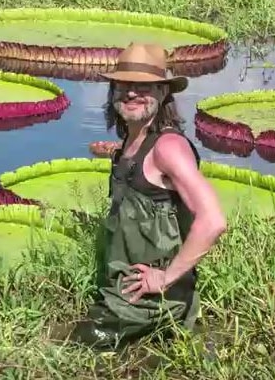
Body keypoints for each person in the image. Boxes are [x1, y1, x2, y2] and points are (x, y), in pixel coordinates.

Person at [70, 43, 227, 349]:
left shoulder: (168, 148)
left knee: (70, 344)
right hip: (124, 291)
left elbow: (213, 220)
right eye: (123, 85)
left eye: (142, 87)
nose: (130, 93)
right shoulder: (130, 142)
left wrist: (166, 277)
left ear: (163, 92)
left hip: (154, 299)